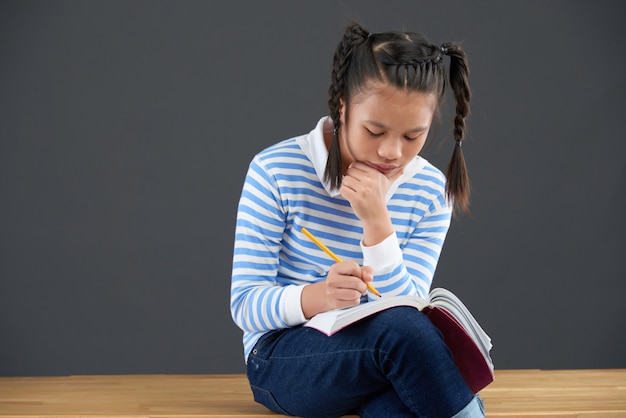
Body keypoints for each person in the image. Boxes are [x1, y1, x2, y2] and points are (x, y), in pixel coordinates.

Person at [230, 21, 483, 417]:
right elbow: (245, 305)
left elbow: (412, 310)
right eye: (374, 130)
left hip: (386, 354)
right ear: (343, 105)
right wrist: (321, 297)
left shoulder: (432, 191)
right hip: (282, 357)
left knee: (400, 401)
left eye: (412, 136)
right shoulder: (275, 170)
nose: (392, 152)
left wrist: (378, 224)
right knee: (413, 350)